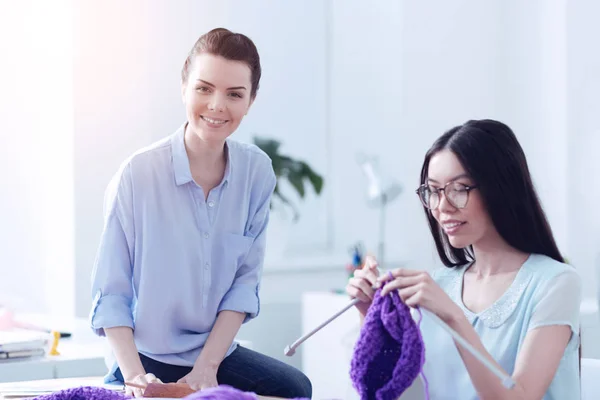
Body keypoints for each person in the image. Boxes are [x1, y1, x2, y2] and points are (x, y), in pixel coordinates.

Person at [89, 28, 312, 399]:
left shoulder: (257, 172)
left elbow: (243, 285)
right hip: (145, 355)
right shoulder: (138, 174)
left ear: (251, 100)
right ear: (184, 87)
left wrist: (207, 368)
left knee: (295, 388)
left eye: (234, 94)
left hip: (215, 355)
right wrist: (134, 376)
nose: (216, 105)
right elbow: (111, 294)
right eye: (204, 88)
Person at [346, 119, 581, 399]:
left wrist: (454, 317)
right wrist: (370, 313)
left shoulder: (556, 283)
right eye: (433, 191)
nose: (442, 207)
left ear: (501, 188)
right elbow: (391, 388)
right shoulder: (438, 284)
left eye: (459, 189)